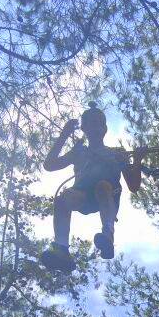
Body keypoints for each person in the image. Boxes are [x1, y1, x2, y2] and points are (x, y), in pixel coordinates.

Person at [40, 103, 141, 272]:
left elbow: (133, 186)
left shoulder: (116, 152)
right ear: (84, 128)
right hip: (83, 196)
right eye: (91, 123)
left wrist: (137, 161)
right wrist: (64, 135)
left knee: (102, 186)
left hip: (108, 195)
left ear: (105, 128)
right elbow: (49, 165)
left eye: (99, 123)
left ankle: (108, 234)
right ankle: (61, 248)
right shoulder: (79, 152)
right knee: (63, 198)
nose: (96, 127)